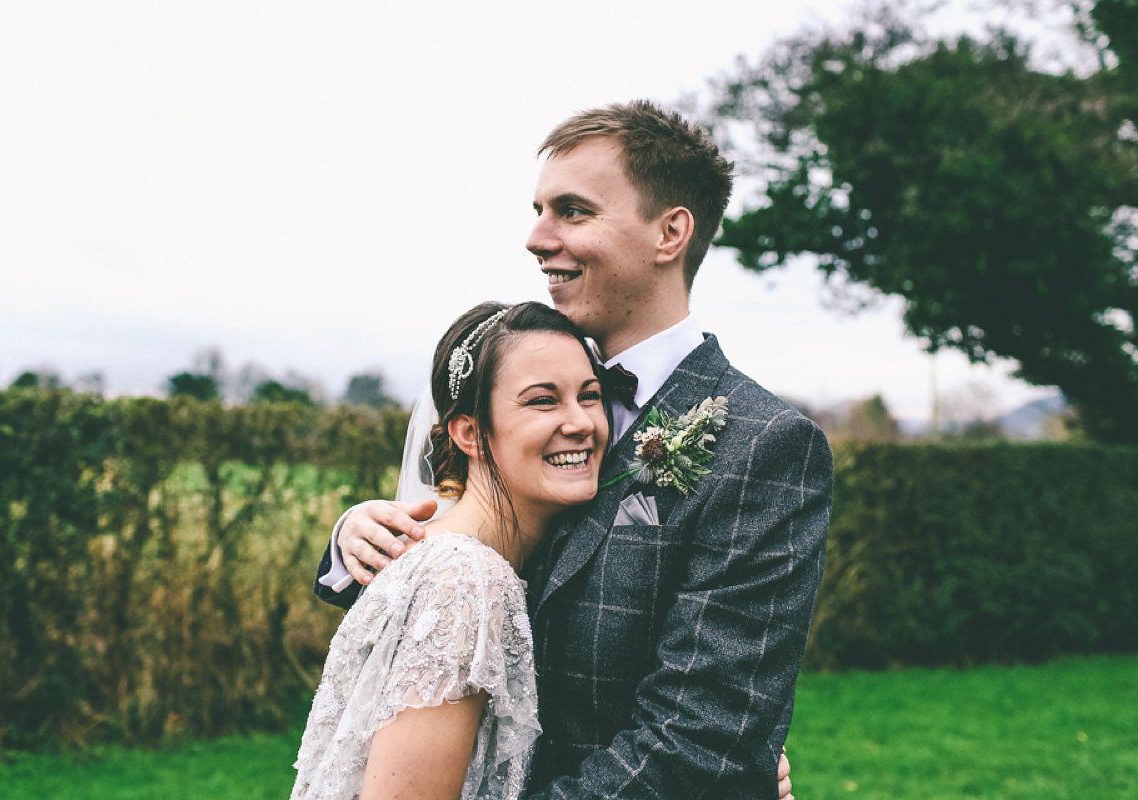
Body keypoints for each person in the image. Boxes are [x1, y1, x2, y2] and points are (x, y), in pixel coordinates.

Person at [319, 101, 831, 799]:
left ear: (669, 232)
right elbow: (436, 620)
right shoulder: (522, 384)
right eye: (539, 210)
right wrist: (358, 535)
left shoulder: (764, 444)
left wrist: (735, 762)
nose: (536, 237)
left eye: (573, 211)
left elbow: (696, 741)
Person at [293, 301, 609, 800]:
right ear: (470, 433)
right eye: (543, 401)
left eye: (590, 396)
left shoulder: (466, 561)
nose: (581, 422)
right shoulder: (465, 580)